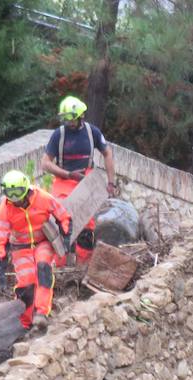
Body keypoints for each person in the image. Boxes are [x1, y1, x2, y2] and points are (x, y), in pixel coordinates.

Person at [40, 95, 117, 265]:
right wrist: (68, 174)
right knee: (62, 217)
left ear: (80, 116)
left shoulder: (92, 132)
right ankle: (60, 266)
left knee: (86, 226)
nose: (67, 122)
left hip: (86, 179)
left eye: (70, 118)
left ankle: (82, 266)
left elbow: (107, 153)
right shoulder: (58, 135)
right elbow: (45, 163)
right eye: (64, 118)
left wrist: (111, 182)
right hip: (64, 179)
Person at [0, 170, 72, 331]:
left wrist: (65, 236)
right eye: (10, 193)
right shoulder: (5, 209)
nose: (16, 198)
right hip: (20, 248)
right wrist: (1, 260)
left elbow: (63, 216)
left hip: (42, 242)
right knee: (26, 284)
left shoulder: (42, 198)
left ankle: (41, 313)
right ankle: (25, 323)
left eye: (18, 192)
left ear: (26, 189)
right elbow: (0, 237)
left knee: (43, 269)